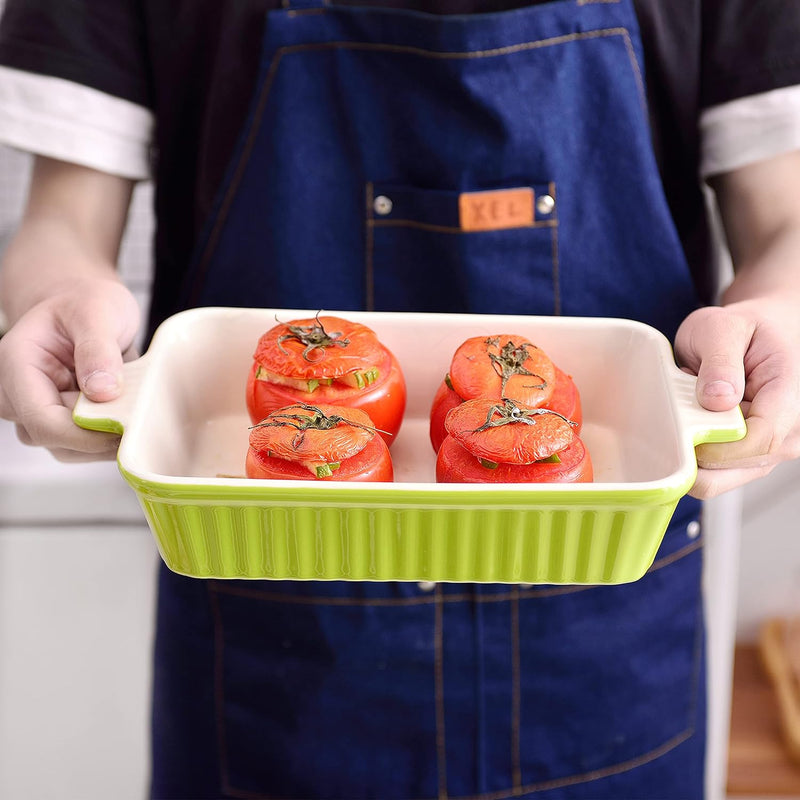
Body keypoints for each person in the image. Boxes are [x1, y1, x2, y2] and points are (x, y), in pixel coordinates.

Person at [0, 1, 799, 797]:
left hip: (608, 623)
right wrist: (62, 299)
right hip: (269, 629)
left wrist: (782, 316)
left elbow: (785, 215)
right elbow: (65, 216)